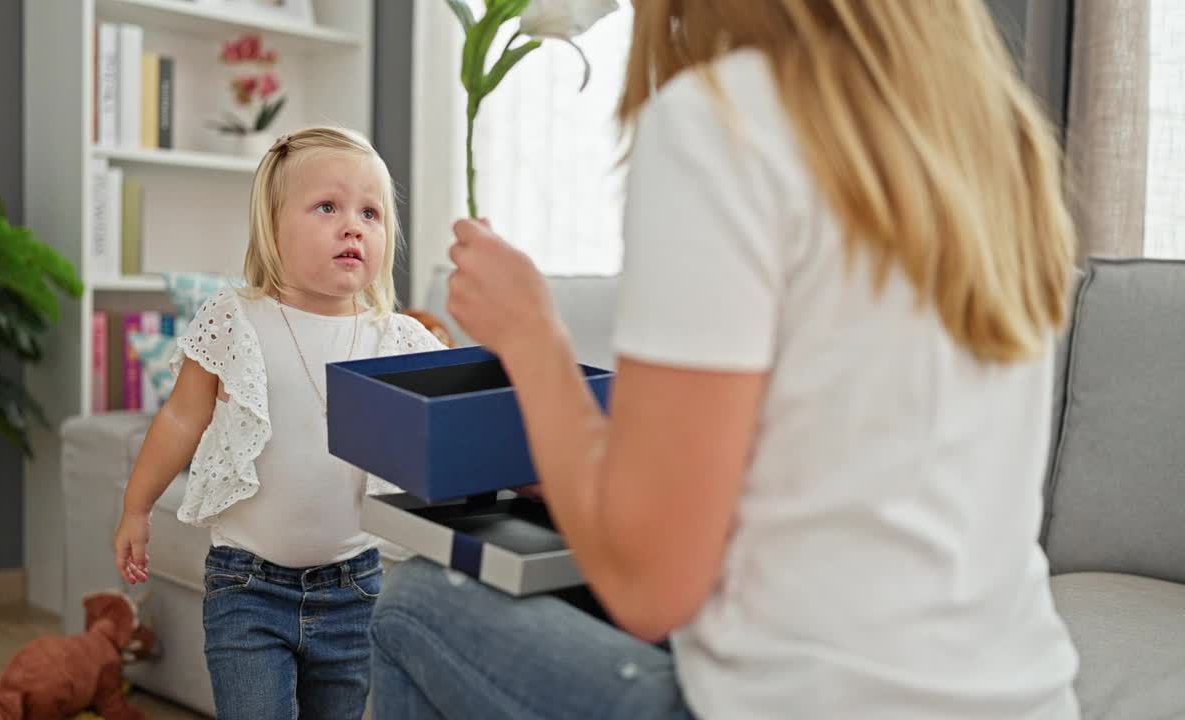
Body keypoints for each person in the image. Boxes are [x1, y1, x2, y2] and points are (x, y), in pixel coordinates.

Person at [370, 1, 1080, 717]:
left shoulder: (723, 119)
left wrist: (531, 337)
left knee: (414, 603)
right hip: (1027, 696)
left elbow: (650, 591)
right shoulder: (992, 136)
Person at [112, 126, 447, 720]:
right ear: (272, 225)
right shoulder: (236, 319)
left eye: (370, 212)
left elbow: (446, 435)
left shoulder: (395, 340)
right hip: (248, 588)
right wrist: (137, 508)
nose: (352, 225)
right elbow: (179, 421)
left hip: (356, 589)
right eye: (327, 206)